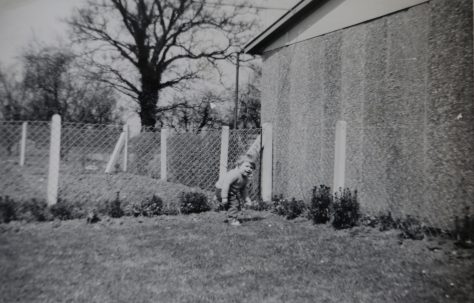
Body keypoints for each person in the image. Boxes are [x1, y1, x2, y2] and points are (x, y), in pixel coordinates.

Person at [215, 155, 256, 226]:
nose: (249, 169)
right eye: (246, 166)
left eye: (251, 168)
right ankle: (232, 220)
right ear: (239, 165)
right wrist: (224, 197)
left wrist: (246, 199)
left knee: (235, 204)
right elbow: (226, 184)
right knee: (234, 204)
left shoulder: (245, 178)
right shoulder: (234, 174)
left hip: (230, 192)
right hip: (222, 190)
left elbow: (243, 189)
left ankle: (230, 213)